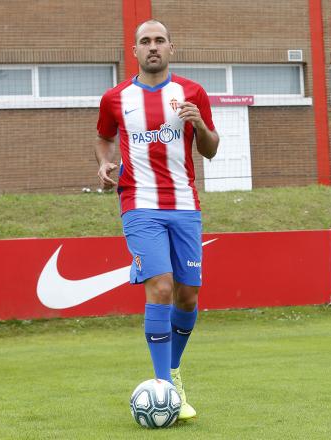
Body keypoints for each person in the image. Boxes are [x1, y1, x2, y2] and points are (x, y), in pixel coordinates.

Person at [95, 18, 219, 421]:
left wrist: (199, 123)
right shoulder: (116, 98)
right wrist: (104, 163)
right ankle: (164, 385)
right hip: (139, 204)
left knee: (188, 295)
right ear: (134, 51)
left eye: (159, 40)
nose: (153, 46)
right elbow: (104, 136)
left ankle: (174, 370)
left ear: (171, 48)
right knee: (161, 287)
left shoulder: (192, 93)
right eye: (145, 41)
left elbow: (211, 150)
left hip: (185, 205)